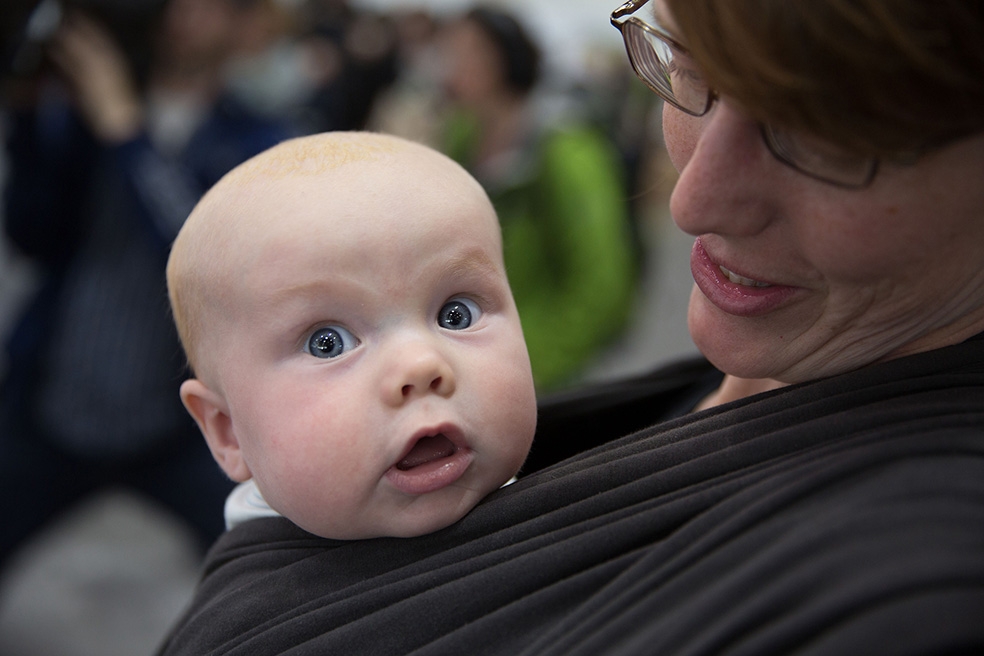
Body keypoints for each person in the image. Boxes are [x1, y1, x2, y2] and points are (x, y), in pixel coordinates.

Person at [156, 1, 984, 653]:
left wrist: (518, 361)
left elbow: (598, 285)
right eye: (690, 70)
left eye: (829, 135)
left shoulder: (912, 593)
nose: (690, 200)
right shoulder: (785, 356)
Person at [0, 0, 293, 573]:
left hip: (177, 417)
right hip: (53, 396)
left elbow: (204, 259)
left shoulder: (261, 138)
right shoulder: (81, 110)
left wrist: (126, 131)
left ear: (247, 25)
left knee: (256, 570)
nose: (188, 13)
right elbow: (31, 235)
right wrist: (30, 114)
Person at [166, 131, 537, 540]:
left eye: (456, 315)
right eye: (327, 343)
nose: (420, 365)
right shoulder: (269, 599)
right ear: (229, 432)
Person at [437, 6, 639, 391]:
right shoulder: (462, 137)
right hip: (477, 358)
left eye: (468, 51)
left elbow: (603, 286)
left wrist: (530, 366)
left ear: (505, 57)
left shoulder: (567, 149)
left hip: (541, 370)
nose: (450, 65)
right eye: (447, 51)